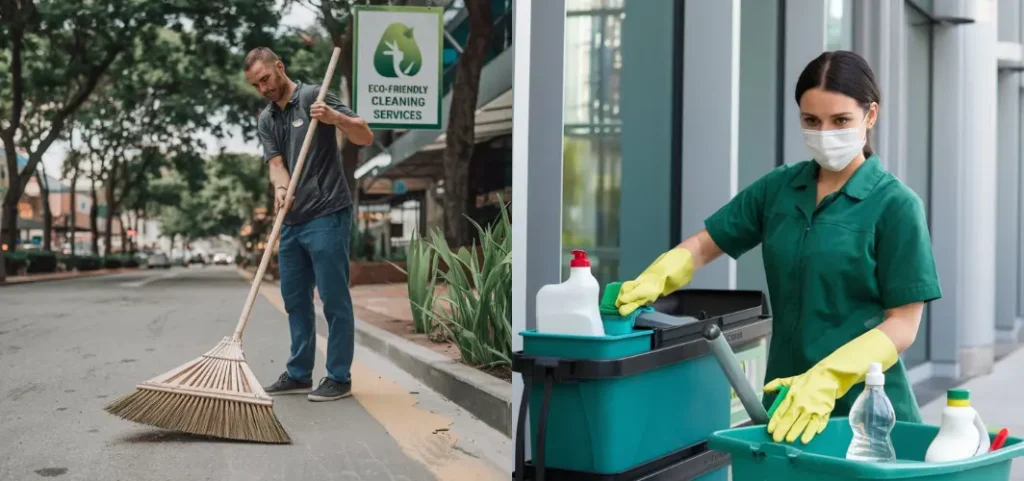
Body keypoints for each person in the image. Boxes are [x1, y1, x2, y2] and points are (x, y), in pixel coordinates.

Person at [616, 50, 941, 445]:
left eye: (840, 121)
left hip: (870, 418)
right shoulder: (780, 189)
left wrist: (827, 377)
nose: (825, 133)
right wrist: (660, 275)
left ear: (870, 115)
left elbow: (904, 324)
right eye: (811, 121)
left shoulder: (896, 205)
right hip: (788, 407)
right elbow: (705, 245)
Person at [243, 47, 375, 402]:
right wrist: (281, 187)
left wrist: (334, 118)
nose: (263, 89)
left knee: (333, 299)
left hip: (327, 212)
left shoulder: (313, 96)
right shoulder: (266, 119)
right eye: (256, 84)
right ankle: (299, 373)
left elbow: (364, 135)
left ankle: (338, 377)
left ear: (280, 68)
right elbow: (275, 164)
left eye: (266, 79)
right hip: (292, 219)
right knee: (294, 299)